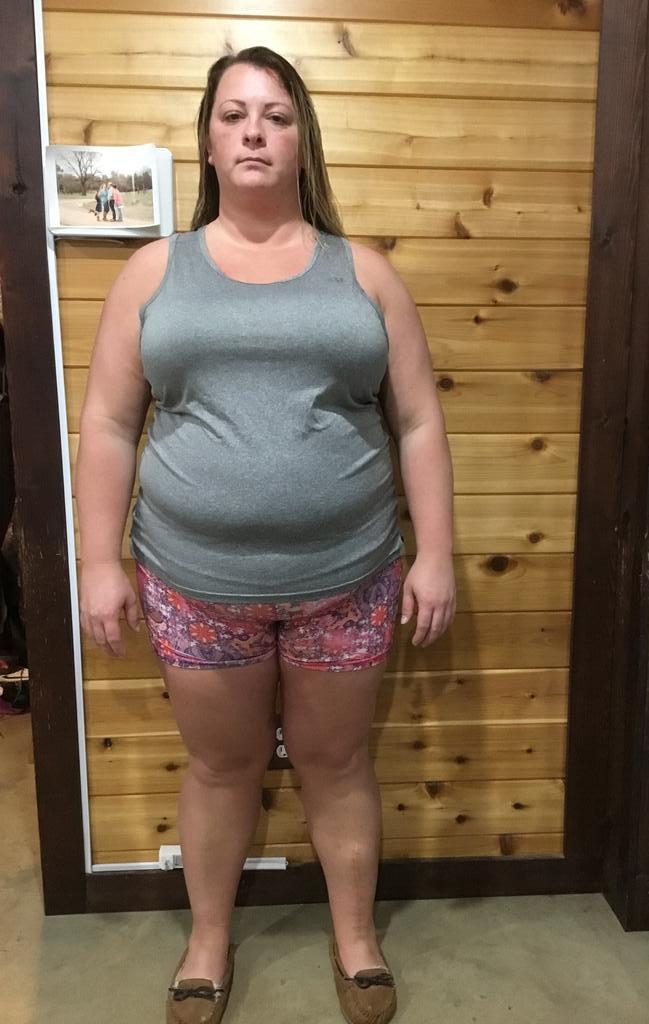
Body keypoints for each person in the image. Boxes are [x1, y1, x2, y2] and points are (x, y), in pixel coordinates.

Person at [76, 45, 455, 1024]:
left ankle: (356, 939)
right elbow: (109, 424)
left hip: (350, 578)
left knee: (337, 764)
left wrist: (438, 553)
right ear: (208, 139)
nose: (255, 131)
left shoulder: (364, 274)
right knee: (220, 767)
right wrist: (96, 560)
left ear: (301, 140)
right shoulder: (154, 272)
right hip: (193, 583)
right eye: (235, 114)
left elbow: (418, 420)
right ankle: (207, 941)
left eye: (277, 116)